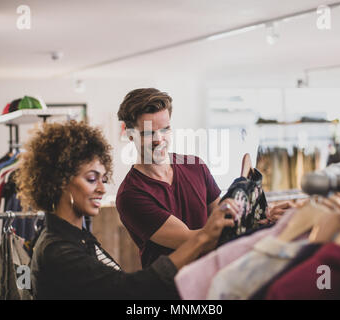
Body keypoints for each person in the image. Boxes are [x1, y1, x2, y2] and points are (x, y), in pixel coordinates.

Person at [15, 120, 237, 299]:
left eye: (103, 178)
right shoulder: (58, 251)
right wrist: (203, 237)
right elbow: (128, 290)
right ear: (59, 181)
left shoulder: (76, 237)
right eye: (92, 179)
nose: (102, 188)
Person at [116, 88, 237, 268]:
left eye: (165, 129)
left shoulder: (196, 166)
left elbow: (222, 215)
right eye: (148, 133)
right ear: (129, 134)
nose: (159, 139)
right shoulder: (131, 195)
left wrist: (261, 217)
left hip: (212, 278)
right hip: (171, 289)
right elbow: (192, 240)